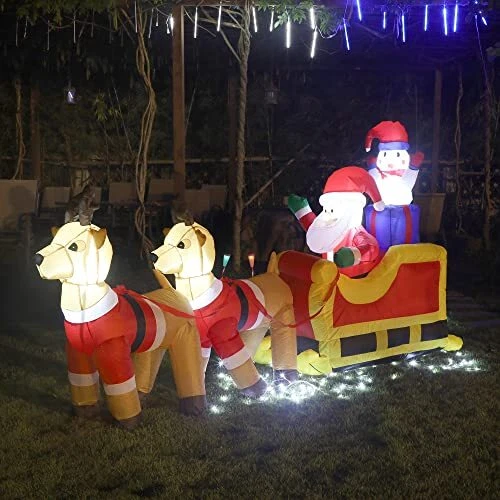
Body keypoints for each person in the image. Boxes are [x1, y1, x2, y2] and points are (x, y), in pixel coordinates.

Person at [288, 166, 385, 277]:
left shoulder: (356, 234)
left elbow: (371, 248)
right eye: (326, 209)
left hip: (353, 279)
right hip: (328, 277)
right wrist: (302, 211)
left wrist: (353, 255)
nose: (328, 213)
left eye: (332, 210)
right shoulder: (326, 227)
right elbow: (314, 232)